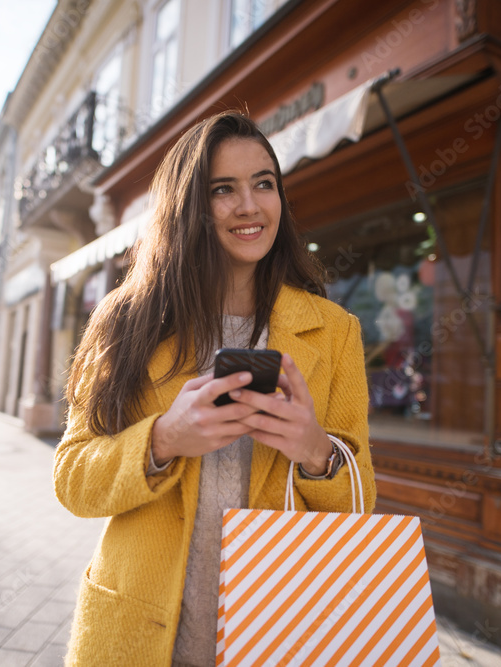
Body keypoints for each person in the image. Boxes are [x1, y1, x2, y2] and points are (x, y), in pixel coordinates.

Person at [53, 111, 377, 666]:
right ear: (190, 206)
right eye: (222, 189)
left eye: (264, 184)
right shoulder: (124, 322)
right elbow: (72, 480)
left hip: (276, 629)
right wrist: (161, 441)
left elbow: (360, 501)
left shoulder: (334, 330)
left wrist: (317, 453)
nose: (249, 206)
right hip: (138, 630)